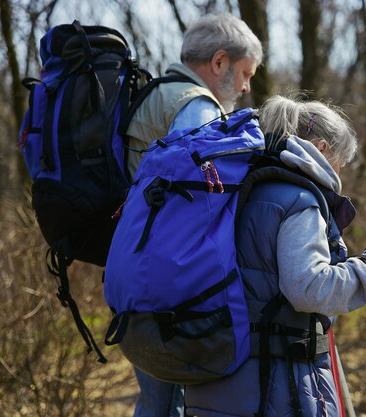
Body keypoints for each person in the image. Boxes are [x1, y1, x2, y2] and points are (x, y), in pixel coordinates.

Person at [183, 94, 366, 417]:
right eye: (341, 163)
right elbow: (309, 288)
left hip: (216, 378)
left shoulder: (241, 189)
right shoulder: (299, 200)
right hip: (273, 389)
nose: (340, 174)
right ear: (322, 149)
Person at [123, 13, 262, 417]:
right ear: (220, 62)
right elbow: (206, 206)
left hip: (139, 272)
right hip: (176, 286)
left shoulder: (156, 93)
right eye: (245, 73)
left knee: (156, 400)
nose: (246, 86)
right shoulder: (196, 108)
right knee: (174, 405)